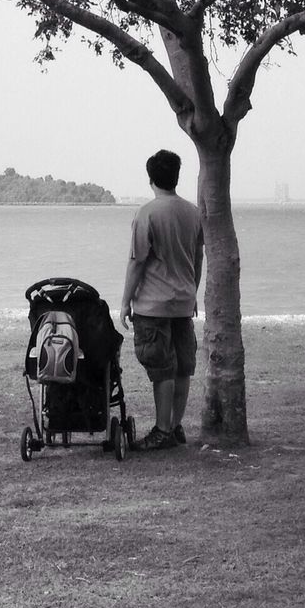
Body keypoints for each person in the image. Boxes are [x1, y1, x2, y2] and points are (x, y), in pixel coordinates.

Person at [120, 149, 204, 451]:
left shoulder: (147, 214)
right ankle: (175, 424)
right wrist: (192, 291)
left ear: (151, 178)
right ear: (176, 178)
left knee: (162, 370)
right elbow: (197, 257)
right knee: (183, 367)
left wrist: (124, 302)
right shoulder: (193, 213)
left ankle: (162, 429)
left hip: (153, 306)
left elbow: (137, 262)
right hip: (183, 302)